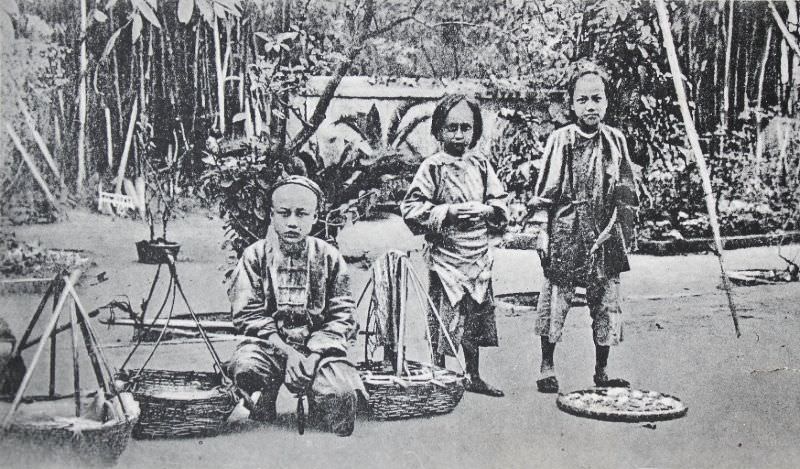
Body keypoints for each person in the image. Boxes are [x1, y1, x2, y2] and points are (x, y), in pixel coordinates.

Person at [226, 175, 366, 436]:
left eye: (301, 214)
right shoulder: (255, 255)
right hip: (270, 346)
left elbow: (342, 315)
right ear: (271, 215)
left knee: (342, 397)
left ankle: (318, 399)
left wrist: (311, 357)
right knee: (245, 367)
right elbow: (248, 314)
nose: (292, 222)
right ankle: (263, 401)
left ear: (315, 217)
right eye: (284, 213)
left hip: (318, 350)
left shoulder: (329, 257)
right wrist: (289, 354)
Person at [528, 66, 639, 393]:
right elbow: (544, 193)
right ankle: (547, 365)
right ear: (571, 105)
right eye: (583, 100)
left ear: (606, 102)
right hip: (567, 230)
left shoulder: (615, 140)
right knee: (556, 299)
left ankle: (601, 371)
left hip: (604, 233)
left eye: (597, 99)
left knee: (605, 301)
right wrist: (542, 231)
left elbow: (628, 190)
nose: (591, 106)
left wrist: (625, 228)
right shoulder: (560, 140)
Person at [401, 94, 508, 397]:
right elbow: (411, 208)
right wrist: (447, 212)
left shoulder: (482, 165)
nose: (459, 135)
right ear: (438, 131)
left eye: (465, 127)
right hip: (446, 258)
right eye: (451, 128)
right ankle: (439, 375)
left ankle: (473, 374)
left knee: (474, 317)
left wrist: (488, 210)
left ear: (475, 131)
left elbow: (499, 201)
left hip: (477, 256)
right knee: (444, 318)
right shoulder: (432, 167)